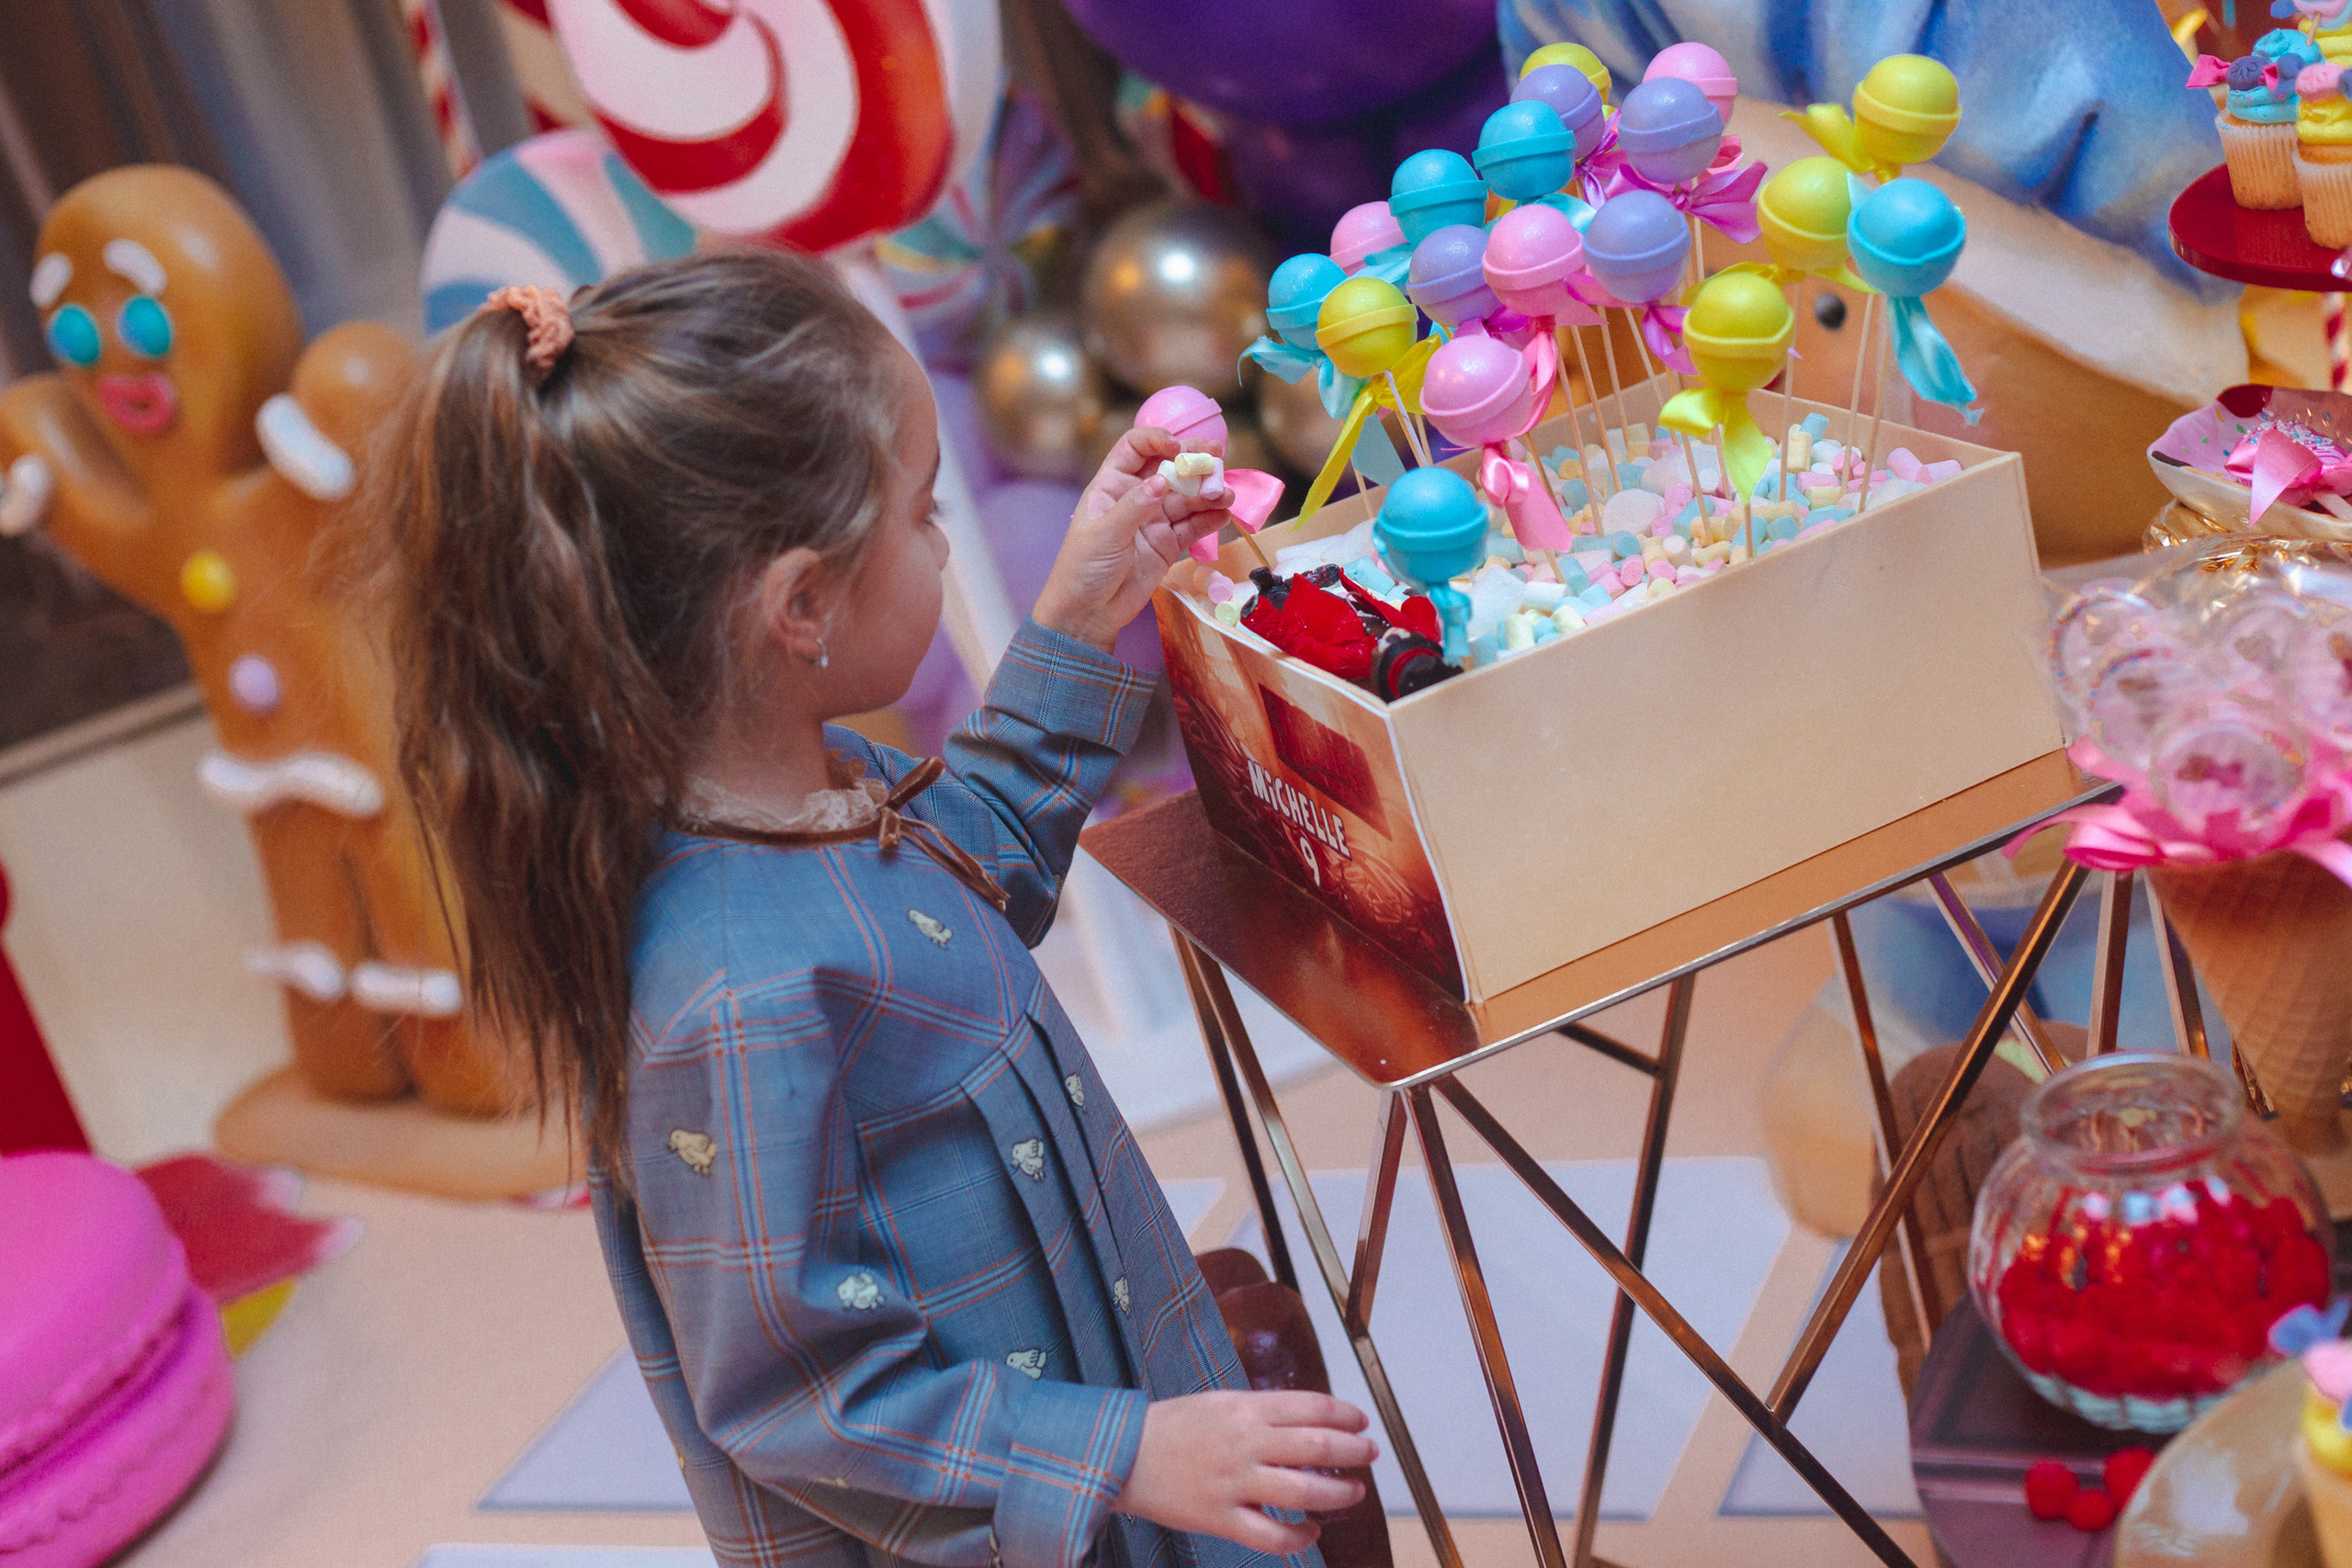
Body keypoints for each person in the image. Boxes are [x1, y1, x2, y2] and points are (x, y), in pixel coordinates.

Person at [375, 253, 1375, 1568]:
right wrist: (1126, 1455)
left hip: (1125, 1439)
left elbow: (963, 885)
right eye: (920, 516)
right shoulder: (733, 997)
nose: (944, 541)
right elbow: (803, 1395)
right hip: (1048, 1510)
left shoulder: (801, 794)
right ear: (801, 607)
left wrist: (1081, 605)